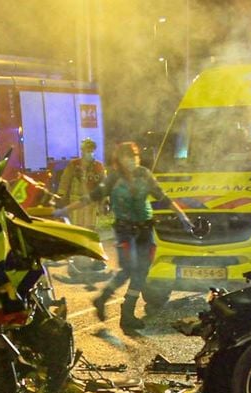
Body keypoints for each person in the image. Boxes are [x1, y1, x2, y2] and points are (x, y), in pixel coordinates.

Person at [56, 141, 194, 334]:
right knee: (128, 269)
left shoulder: (144, 175)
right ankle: (104, 298)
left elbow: (163, 197)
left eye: (134, 156)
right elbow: (91, 197)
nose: (131, 160)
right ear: (119, 160)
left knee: (142, 271)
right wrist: (64, 210)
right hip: (125, 229)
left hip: (146, 229)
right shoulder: (113, 178)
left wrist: (182, 216)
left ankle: (127, 312)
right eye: (127, 157)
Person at [55, 138, 105, 229]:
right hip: (76, 204)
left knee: (90, 229)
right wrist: (61, 195)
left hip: (91, 204)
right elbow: (65, 180)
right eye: (88, 150)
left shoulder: (98, 166)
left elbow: (103, 185)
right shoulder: (74, 165)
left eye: (92, 151)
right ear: (82, 151)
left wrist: (104, 201)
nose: (90, 153)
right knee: (77, 229)